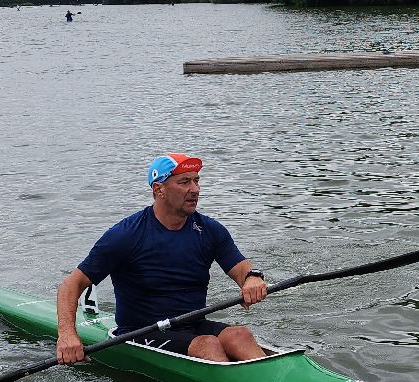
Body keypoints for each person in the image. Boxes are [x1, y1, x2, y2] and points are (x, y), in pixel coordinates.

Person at [56, 153, 268, 365]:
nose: (195, 189)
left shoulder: (209, 230)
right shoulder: (125, 235)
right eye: (184, 182)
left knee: (240, 335)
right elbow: (71, 285)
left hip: (192, 324)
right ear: (159, 190)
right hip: (139, 333)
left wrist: (252, 278)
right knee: (208, 344)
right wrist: (67, 336)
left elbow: (241, 268)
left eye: (196, 181)